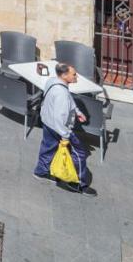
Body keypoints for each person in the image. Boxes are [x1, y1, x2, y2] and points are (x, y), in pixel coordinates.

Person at [33, 63, 94, 195]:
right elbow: (59, 116)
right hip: (58, 127)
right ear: (64, 75)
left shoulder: (53, 81)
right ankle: (78, 183)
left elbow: (66, 97)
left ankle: (41, 172)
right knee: (79, 153)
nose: (76, 76)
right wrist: (65, 135)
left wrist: (76, 111)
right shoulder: (62, 93)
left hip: (47, 122)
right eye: (73, 74)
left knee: (48, 147)